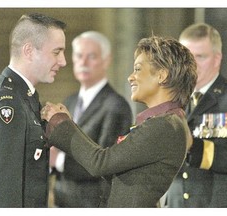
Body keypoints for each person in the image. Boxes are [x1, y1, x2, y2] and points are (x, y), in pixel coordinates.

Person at [41, 35, 197, 207]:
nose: (131, 77)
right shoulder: (168, 121)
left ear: (162, 75)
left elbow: (100, 163)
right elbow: (111, 165)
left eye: (138, 69)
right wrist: (70, 126)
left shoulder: (163, 125)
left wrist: (60, 122)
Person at [0, 13, 67, 208]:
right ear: (29, 51)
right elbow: (2, 193)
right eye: (56, 52)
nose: (63, 61)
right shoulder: (6, 103)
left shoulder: (24, 96)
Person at [50, 31, 132, 207]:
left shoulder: (116, 106)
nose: (83, 63)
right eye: (79, 56)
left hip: (94, 203)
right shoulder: (69, 101)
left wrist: (58, 160)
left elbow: (106, 164)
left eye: (92, 56)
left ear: (106, 60)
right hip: (62, 201)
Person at [166, 23, 227, 207]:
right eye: (186, 57)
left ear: (217, 59)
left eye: (200, 57)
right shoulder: (169, 100)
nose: (191, 64)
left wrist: (194, 146)